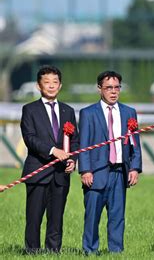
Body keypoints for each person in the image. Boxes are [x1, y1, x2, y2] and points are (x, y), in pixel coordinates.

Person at [78, 71, 142, 255]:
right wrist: (85, 170)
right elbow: (84, 145)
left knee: (117, 216)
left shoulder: (129, 112)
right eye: (109, 88)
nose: (113, 92)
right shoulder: (88, 113)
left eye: (117, 87)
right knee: (92, 216)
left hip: (119, 172)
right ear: (100, 89)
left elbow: (135, 143)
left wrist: (135, 167)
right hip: (97, 172)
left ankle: (116, 251)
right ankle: (90, 250)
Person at [20, 65, 79, 254]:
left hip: (61, 174)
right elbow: (30, 138)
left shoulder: (68, 111)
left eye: (55, 82)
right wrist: (54, 150)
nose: (51, 86)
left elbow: (75, 139)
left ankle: (54, 252)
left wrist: (72, 159)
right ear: (39, 86)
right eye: (47, 82)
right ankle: (32, 252)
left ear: (60, 86)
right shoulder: (29, 109)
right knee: (34, 217)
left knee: (56, 217)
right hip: (38, 171)